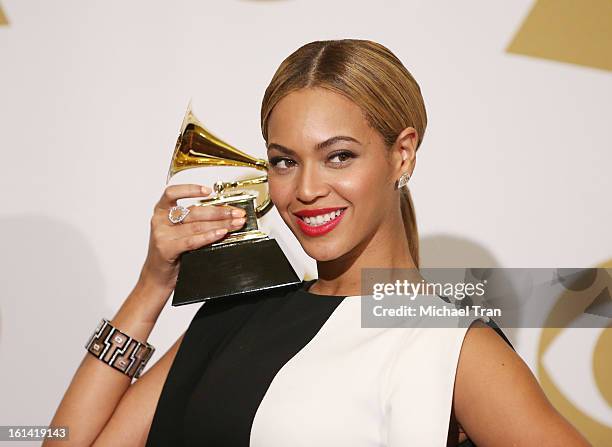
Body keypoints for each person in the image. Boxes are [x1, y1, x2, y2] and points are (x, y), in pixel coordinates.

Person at [46, 39, 591, 447]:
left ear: (402, 154)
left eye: (339, 156)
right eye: (285, 161)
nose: (305, 190)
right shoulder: (233, 316)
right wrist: (152, 286)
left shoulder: (451, 346)